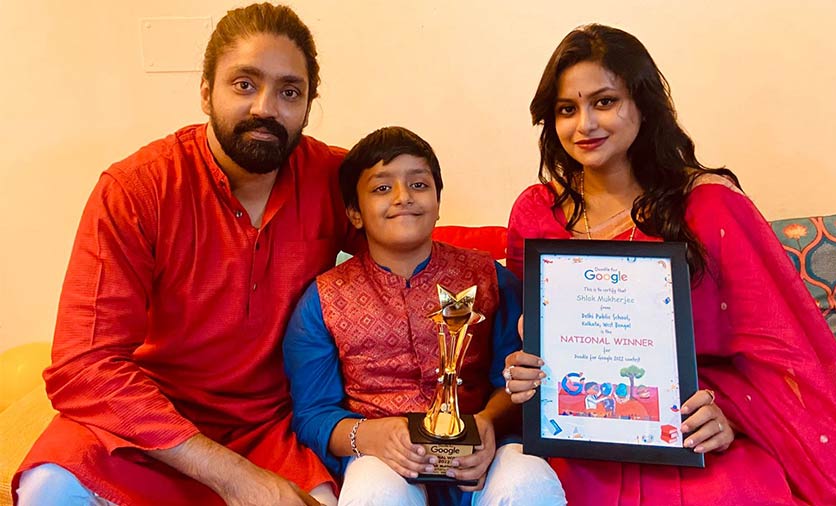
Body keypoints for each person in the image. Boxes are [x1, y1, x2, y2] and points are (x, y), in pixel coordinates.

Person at [503, 24, 836, 505]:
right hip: (576, 435)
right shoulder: (535, 212)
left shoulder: (707, 205)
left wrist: (728, 415)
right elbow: (532, 339)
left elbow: (777, 350)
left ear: (643, 105)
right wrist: (524, 369)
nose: (584, 124)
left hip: (691, 432)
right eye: (567, 109)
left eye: (604, 101)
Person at [13, 4, 357, 505]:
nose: (266, 107)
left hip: (270, 429)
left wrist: (513, 299)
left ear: (308, 104)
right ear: (204, 91)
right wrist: (232, 476)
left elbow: (420, 252)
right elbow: (84, 363)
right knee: (49, 489)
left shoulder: (332, 178)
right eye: (244, 83)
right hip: (147, 425)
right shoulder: (137, 188)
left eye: (289, 91)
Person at [283, 126, 566, 506]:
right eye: (382, 188)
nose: (403, 198)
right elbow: (312, 414)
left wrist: (487, 425)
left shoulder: (489, 278)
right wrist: (368, 436)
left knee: (528, 483)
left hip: (484, 454)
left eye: (418, 184)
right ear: (354, 212)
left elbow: (518, 380)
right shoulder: (323, 298)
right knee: (374, 494)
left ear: (437, 200)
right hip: (381, 459)